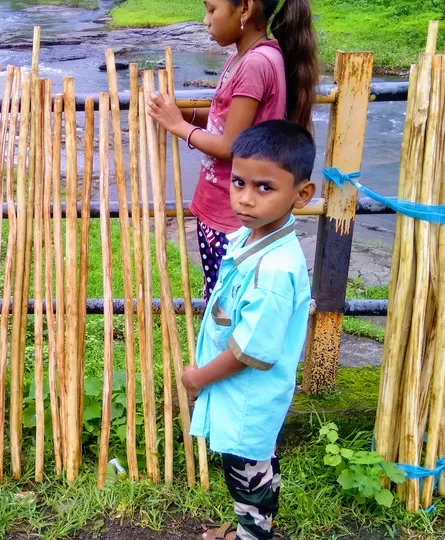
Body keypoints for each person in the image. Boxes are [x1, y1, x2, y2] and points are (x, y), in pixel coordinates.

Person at [181, 120, 316, 540]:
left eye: (264, 188)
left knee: (246, 474)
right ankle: (251, 525)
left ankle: (251, 534)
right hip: (245, 397)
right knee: (257, 463)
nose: (245, 198)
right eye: (239, 182)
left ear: (302, 194)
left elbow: (248, 352)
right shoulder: (249, 237)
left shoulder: (274, 272)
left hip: (247, 399)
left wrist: (197, 377)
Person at [147, 0, 317, 299]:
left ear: (245, 9)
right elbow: (223, 120)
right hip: (224, 208)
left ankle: (231, 348)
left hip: (231, 217)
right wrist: (180, 113)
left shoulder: (255, 63)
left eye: (212, 9)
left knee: (226, 304)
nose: (205, 20)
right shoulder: (244, 57)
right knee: (221, 300)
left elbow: (229, 145)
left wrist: (178, 126)